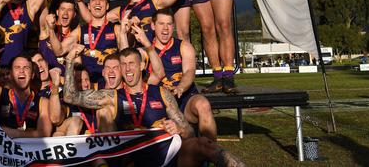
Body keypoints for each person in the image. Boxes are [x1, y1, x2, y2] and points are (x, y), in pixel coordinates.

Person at [63, 46, 244, 167]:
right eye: (123, 65)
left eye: (131, 63)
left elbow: (189, 132)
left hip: (163, 153)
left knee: (205, 144)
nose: (127, 69)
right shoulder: (111, 96)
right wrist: (70, 61)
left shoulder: (161, 93)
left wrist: (178, 127)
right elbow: (70, 96)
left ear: (142, 65)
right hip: (132, 157)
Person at [147, 9, 217, 140]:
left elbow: (189, 72)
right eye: (161, 23)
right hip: (159, 102)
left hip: (184, 98)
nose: (165, 28)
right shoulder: (146, 50)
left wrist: (181, 87)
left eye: (169, 24)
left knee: (203, 105)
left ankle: (212, 151)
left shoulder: (183, 46)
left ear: (173, 26)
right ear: (153, 25)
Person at [0, 54, 53, 138]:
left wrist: (14, 133)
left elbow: (44, 133)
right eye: (17, 67)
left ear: (32, 74)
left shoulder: (43, 102)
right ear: (10, 74)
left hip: (28, 150)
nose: (21, 71)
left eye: (26, 68)